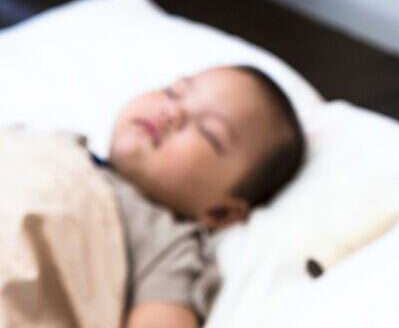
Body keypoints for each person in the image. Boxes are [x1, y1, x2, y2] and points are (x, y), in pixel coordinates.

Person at [102, 65, 305, 327]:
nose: (173, 111)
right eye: (173, 92)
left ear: (221, 213)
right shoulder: (71, 150)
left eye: (208, 132)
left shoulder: (167, 245)